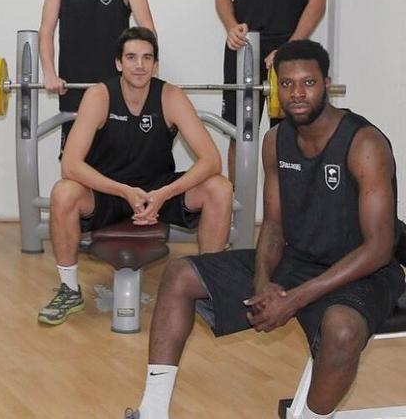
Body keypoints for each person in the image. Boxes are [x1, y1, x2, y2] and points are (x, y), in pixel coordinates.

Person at [126, 40, 405, 419]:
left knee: (341, 331)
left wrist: (294, 298)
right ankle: (152, 410)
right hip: (298, 259)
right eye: (286, 84)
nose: (297, 94)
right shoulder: (275, 141)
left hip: (361, 271)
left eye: (308, 83)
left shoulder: (364, 144)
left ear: (327, 82)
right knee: (179, 275)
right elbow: (273, 224)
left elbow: (379, 247)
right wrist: (262, 280)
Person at [38, 27, 232, 326]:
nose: (139, 65)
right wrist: (124, 191)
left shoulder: (170, 96)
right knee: (63, 191)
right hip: (109, 192)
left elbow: (211, 160)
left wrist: (164, 194)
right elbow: (72, 165)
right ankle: (69, 288)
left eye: (146, 58)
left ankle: (207, 289)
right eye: (131, 57)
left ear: (155, 64)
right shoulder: (99, 96)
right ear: (119, 63)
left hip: (158, 191)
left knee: (219, 188)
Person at [215, 0, 326, 181]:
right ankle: (238, 215)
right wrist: (232, 27)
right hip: (244, 47)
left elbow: (318, 1)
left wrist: (289, 48)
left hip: (287, 50)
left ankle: (286, 216)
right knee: (240, 134)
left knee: (287, 137)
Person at [39, 0, 155, 152]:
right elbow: (46, 31)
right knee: (76, 162)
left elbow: (148, 31)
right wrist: (50, 73)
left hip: (117, 87)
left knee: (118, 161)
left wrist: (147, 70)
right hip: (74, 86)